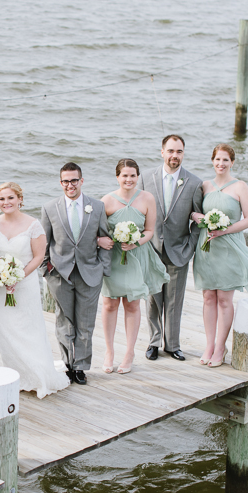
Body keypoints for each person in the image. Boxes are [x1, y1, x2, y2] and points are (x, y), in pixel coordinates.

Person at [193, 144, 248, 367]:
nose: (221, 164)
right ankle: (209, 345)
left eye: (225, 160)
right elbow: (193, 210)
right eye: (218, 160)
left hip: (229, 247)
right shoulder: (204, 186)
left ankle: (221, 346)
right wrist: (196, 216)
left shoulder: (240, 187)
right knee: (208, 296)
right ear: (212, 161)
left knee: (224, 299)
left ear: (232, 162)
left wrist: (224, 230)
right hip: (206, 247)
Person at [0, 182, 70, 398]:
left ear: (20, 200)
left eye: (10, 198)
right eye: (2, 199)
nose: (6, 202)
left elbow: (39, 257)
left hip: (24, 286)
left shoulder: (33, 225)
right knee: (6, 332)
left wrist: (17, 276)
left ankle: (38, 375)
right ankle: (16, 374)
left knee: (28, 329)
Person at [41, 162, 112, 385]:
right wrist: (46, 270)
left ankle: (81, 366)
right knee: (63, 321)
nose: (70, 185)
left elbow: (106, 240)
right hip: (60, 274)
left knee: (85, 322)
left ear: (81, 181)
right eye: (65, 181)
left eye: (74, 180)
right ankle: (67, 364)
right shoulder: (50, 208)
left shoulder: (97, 207)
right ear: (60, 182)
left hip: (90, 272)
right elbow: (44, 242)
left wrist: (102, 268)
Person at [98, 159, 169, 374]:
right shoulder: (106, 201)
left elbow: (149, 230)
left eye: (133, 175)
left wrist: (135, 241)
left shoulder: (147, 199)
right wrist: (105, 241)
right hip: (113, 258)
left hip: (137, 255)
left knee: (132, 304)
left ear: (138, 177)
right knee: (110, 304)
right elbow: (99, 233)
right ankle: (109, 351)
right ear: (117, 177)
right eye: (124, 175)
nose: (129, 179)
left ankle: (129, 352)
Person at [138, 135, 203, 362]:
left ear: (183, 154)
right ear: (162, 152)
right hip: (152, 249)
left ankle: (172, 345)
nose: (175, 156)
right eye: (171, 151)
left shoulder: (194, 183)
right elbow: (138, 212)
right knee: (153, 299)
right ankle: (154, 342)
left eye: (179, 152)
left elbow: (198, 219)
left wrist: (190, 245)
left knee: (175, 300)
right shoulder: (146, 178)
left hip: (179, 250)